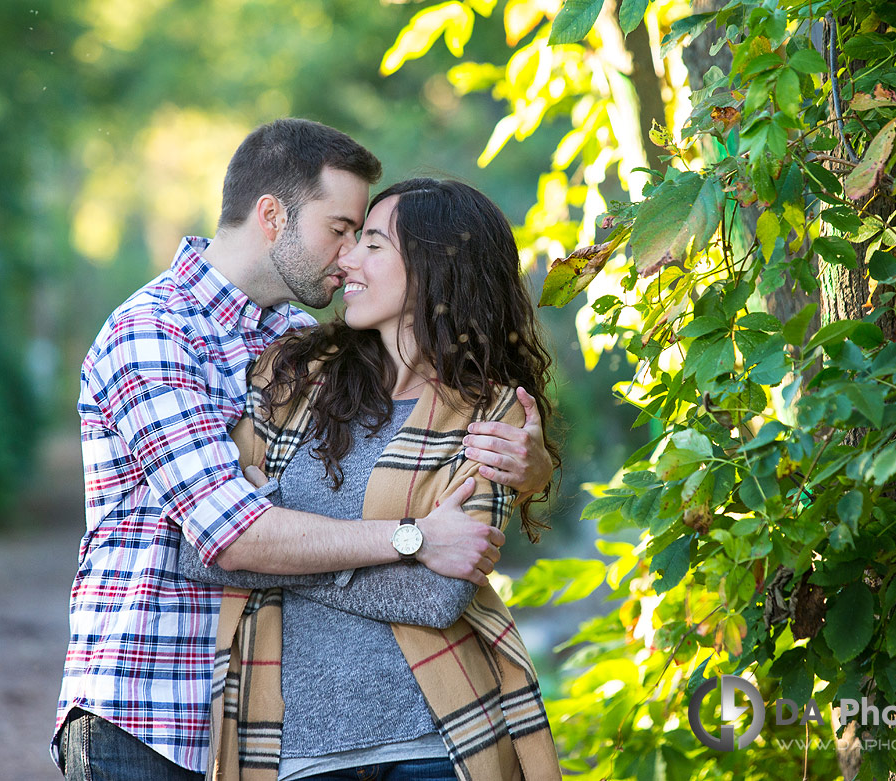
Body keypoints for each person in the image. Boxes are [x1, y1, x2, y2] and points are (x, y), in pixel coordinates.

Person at [54, 119, 553, 781]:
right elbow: (227, 541)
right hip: (149, 706)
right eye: (341, 229)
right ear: (271, 216)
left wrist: (533, 466)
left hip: (249, 718)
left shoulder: (300, 347)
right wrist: (414, 539)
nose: (348, 255)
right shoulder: (153, 335)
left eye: (363, 237)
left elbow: (443, 425)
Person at [180, 177, 562, 781]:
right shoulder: (294, 381)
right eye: (351, 238)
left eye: (374, 245)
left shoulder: (492, 414)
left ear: (436, 269)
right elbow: (210, 550)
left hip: (439, 742)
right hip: (292, 750)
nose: (347, 258)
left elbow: (440, 599)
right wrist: (414, 541)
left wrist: (285, 547)